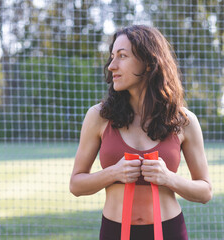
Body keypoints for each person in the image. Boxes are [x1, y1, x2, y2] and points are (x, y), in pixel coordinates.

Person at [70, 25, 212, 240]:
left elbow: (205, 191)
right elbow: (76, 185)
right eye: (112, 57)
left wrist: (168, 178)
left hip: (169, 231)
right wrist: (113, 173)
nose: (111, 66)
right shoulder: (99, 116)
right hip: (114, 232)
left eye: (122, 56)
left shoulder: (184, 121)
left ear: (148, 63)